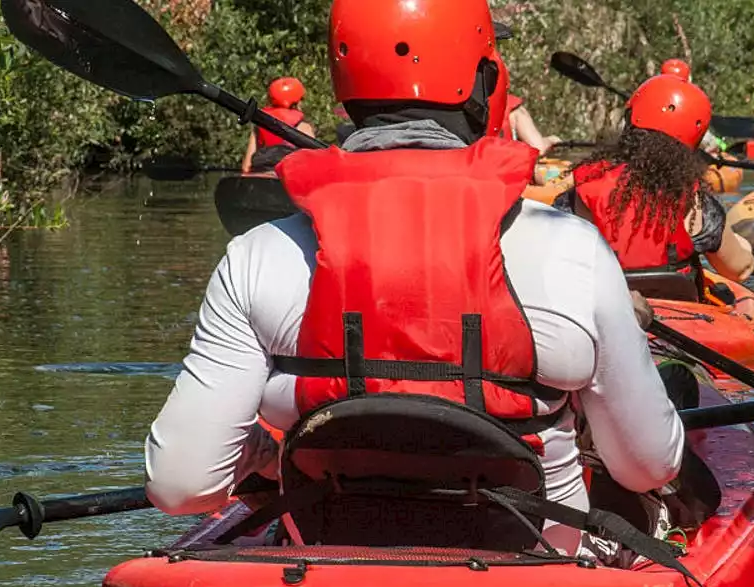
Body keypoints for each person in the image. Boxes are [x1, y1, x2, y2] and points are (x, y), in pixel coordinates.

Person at [145, 0, 685, 558]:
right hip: (536, 573)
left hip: (324, 565)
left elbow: (181, 485)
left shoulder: (259, 255)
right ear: (484, 82)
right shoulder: (570, 250)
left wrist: (262, 453)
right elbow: (648, 465)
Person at [550, 74, 754, 286]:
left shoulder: (586, 185)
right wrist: (745, 249)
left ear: (631, 122)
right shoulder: (694, 203)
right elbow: (739, 270)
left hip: (599, 304)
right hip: (676, 308)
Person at [240, 77, 317, 174]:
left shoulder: (260, 125)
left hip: (261, 180)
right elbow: (313, 163)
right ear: (297, 102)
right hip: (288, 180)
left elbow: (246, 167)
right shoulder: (302, 127)